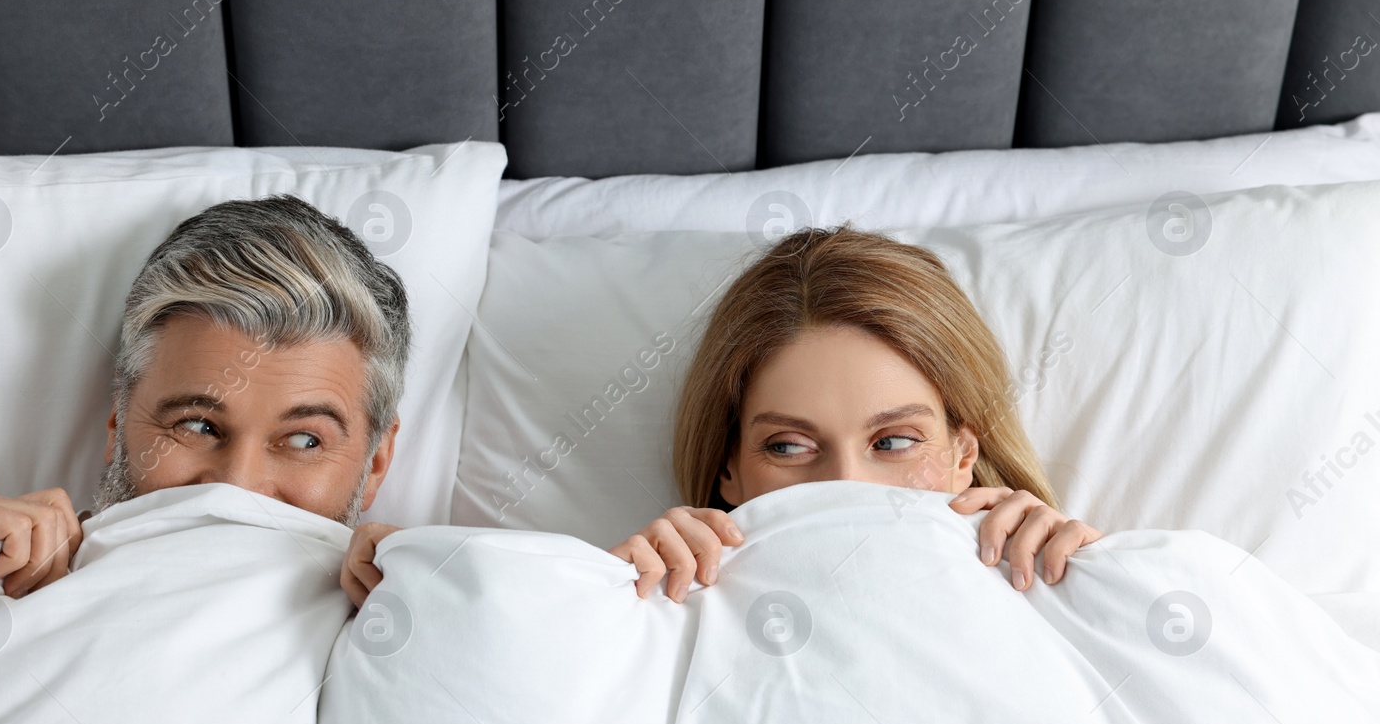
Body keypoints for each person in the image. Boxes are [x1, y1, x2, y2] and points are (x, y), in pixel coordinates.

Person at [344, 226, 1102, 604]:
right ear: (730, 472)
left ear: (964, 450)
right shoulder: (665, 601)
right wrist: (602, 598)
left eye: (894, 441)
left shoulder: (1070, 588)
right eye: (791, 446)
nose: (848, 486)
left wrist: (1098, 582)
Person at [0, 195, 411, 598]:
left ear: (375, 464)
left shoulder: (401, 611)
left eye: (305, 440)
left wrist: (443, 608)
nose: (234, 487)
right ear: (118, 421)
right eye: (198, 426)